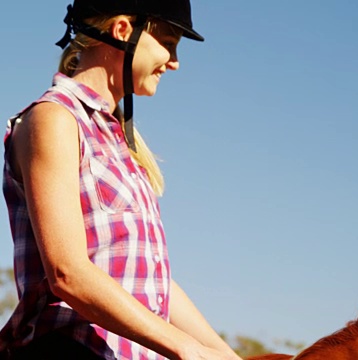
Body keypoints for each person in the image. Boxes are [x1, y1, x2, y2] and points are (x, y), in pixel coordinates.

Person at [0, 1, 242, 359]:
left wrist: (228, 356)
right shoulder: (53, 120)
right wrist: (186, 349)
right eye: (169, 43)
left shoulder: (122, 145)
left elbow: (156, 285)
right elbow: (68, 272)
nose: (174, 62)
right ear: (123, 31)